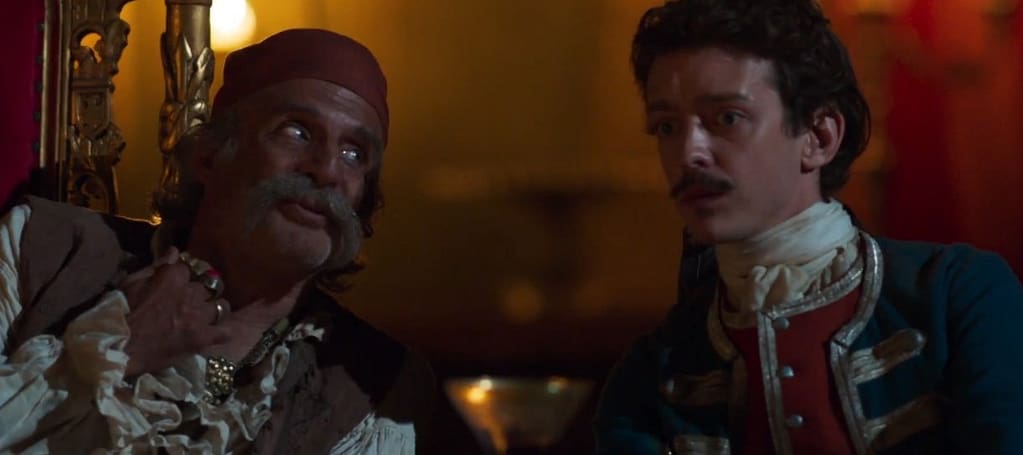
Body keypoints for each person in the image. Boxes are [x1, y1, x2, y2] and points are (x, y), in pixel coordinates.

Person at [594, 1, 1023, 454]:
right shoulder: (653, 375)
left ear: (819, 138)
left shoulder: (959, 298)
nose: (688, 154)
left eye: (727, 118)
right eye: (666, 127)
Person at [0, 29, 432, 454]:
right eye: (297, 131)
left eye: (354, 154)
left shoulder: (373, 389)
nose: (328, 170)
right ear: (210, 154)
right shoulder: (41, 250)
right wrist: (117, 352)